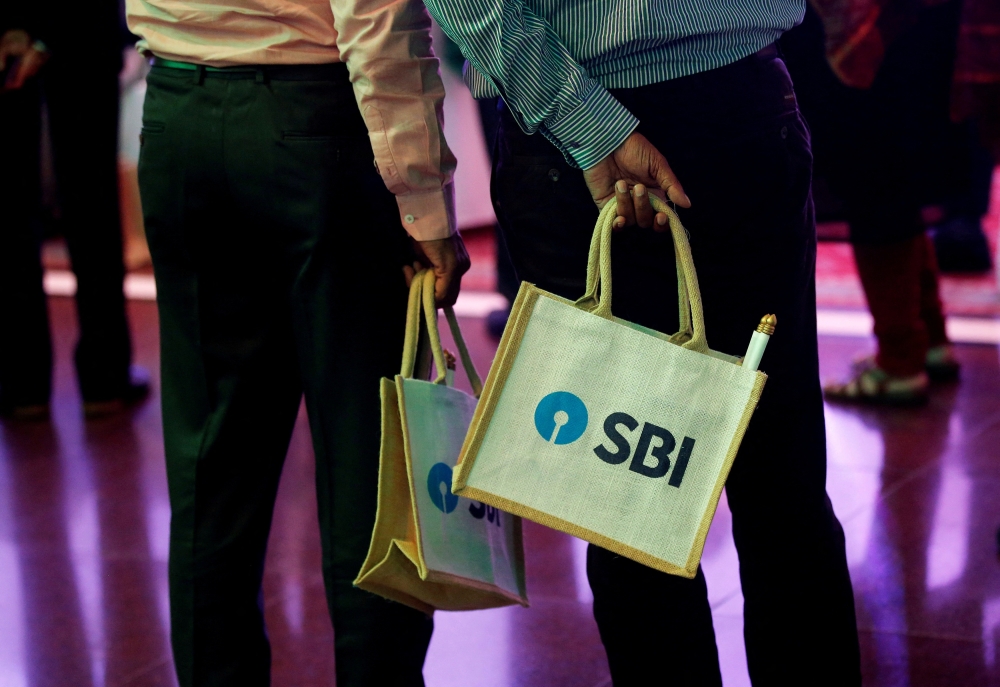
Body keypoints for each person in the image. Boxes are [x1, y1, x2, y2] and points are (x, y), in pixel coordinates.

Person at [422, 0, 861, 684]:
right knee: (779, 493)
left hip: (585, 128)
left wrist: (585, 124)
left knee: (635, 507)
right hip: (725, 104)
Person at [124, 0, 468, 682]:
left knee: (210, 469)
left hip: (177, 112)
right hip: (319, 121)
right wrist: (422, 196)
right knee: (369, 464)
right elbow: (376, 17)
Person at [781, 1, 973, 405]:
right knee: (898, 177)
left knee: (873, 182)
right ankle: (928, 341)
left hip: (868, 34)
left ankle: (901, 360)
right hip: (913, 23)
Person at [0, 3, 149, 419]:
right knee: (92, 202)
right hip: (79, 28)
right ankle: (104, 377)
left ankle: (22, 382)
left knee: (9, 209)